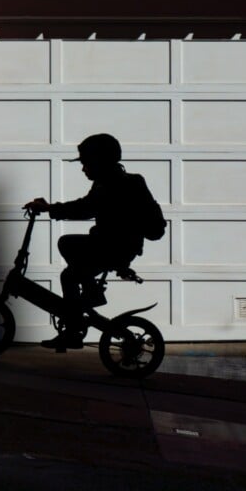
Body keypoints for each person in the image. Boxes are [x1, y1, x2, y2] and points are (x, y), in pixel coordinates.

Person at [26, 133, 159, 350]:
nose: (83, 168)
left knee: (68, 261)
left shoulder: (114, 185)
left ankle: (74, 328)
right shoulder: (111, 182)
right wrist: (51, 208)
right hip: (113, 247)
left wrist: (50, 208)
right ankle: (87, 298)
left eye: (86, 163)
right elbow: (86, 205)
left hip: (114, 248)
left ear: (99, 161)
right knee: (69, 261)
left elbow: (84, 208)